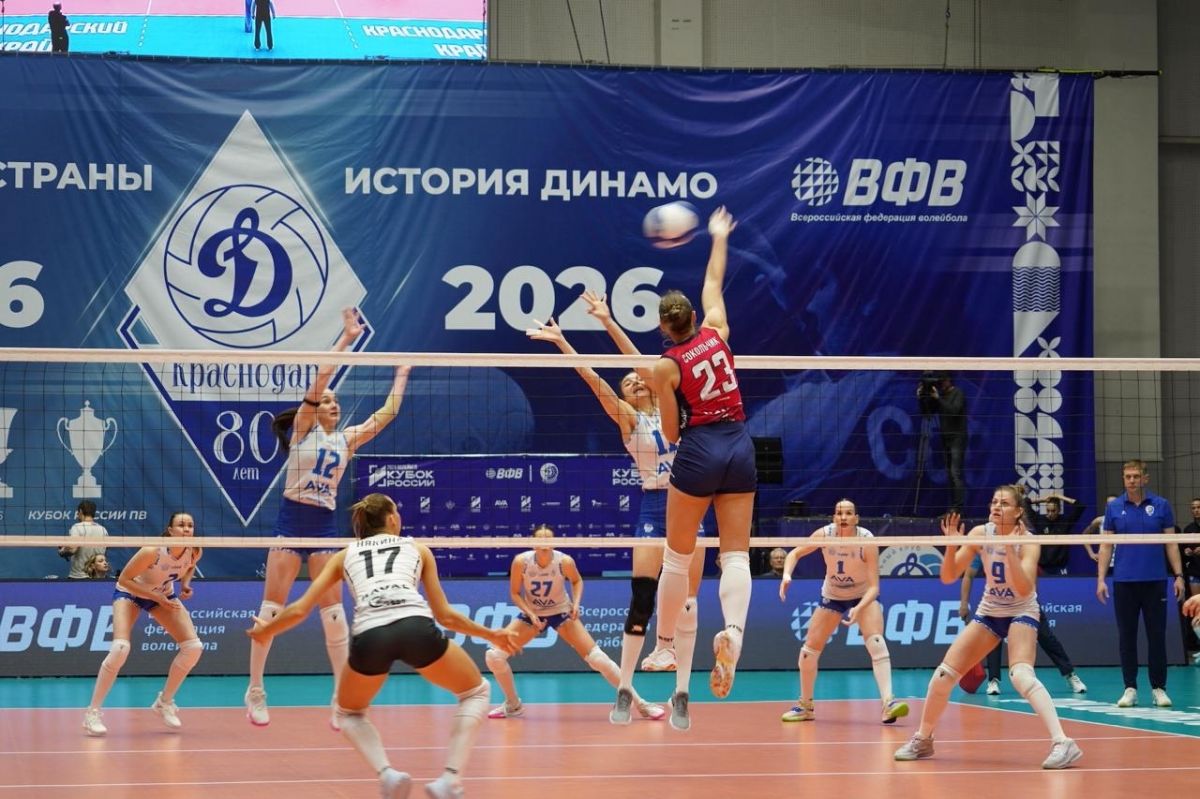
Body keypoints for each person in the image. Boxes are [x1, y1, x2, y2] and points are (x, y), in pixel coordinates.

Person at [248, 493, 518, 799]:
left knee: (349, 714)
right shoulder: (417, 549)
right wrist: (490, 634)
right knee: (475, 692)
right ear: (391, 519)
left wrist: (266, 631)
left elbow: (300, 608)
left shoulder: (344, 555)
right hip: (415, 626)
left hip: (370, 635)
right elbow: (446, 616)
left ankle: (388, 775)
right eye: (397, 511)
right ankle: (450, 780)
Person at [526, 290, 706, 717]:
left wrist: (608, 320)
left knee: (686, 600)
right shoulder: (629, 418)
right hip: (654, 503)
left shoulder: (678, 408)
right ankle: (625, 686)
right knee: (642, 594)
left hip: (689, 501)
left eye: (639, 379)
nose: (637, 382)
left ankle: (681, 689)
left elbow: (648, 365)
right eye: (629, 383)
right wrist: (564, 343)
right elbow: (594, 381)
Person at [245, 307, 410, 728]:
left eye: (337, 402)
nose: (333, 404)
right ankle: (256, 690)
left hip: (323, 526)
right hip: (291, 522)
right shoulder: (303, 428)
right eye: (328, 401)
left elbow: (388, 414)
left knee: (334, 614)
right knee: (271, 610)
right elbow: (320, 378)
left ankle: (341, 698)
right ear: (316, 407)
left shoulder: (347, 440)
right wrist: (346, 338)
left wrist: (402, 373)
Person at [651, 206, 757, 731]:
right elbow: (714, 280)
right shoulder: (717, 331)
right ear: (693, 316)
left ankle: (665, 644)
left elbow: (671, 433)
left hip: (699, 450)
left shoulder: (665, 366)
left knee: (677, 556)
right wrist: (717, 235)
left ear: (663, 327)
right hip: (739, 442)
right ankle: (733, 632)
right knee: (735, 553)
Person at [894, 485, 1081, 769]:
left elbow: (1024, 587)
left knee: (1021, 675)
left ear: (1018, 511)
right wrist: (951, 546)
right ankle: (924, 739)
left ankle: (1063, 742)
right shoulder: (980, 533)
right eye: (994, 502)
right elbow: (948, 576)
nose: (996, 507)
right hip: (990, 610)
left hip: (1021, 610)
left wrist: (1008, 550)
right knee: (943, 676)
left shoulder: (1029, 541)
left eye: (1004, 503)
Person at [483, 524, 665, 723]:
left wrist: (576, 604)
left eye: (549, 539)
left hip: (561, 612)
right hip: (532, 615)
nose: (545, 544)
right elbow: (515, 593)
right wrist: (530, 614)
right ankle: (513, 704)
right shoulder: (521, 562)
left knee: (598, 659)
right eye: (540, 539)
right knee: (494, 656)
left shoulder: (564, 561)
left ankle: (641, 704)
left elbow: (577, 581)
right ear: (533, 543)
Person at [777, 500, 909, 724]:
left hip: (862, 594)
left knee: (876, 642)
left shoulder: (866, 540)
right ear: (834, 517)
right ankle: (806, 706)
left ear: (856, 518)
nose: (844, 517)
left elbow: (875, 587)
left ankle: (888, 703)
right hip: (833, 595)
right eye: (839, 513)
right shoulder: (824, 534)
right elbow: (794, 554)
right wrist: (787, 575)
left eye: (848, 513)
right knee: (808, 652)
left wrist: (859, 608)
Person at [82, 512, 203, 737]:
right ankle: (93, 713)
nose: (187, 529)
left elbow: (189, 566)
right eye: (181, 525)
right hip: (131, 592)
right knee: (120, 649)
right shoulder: (152, 551)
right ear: (170, 530)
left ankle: (164, 702)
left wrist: (185, 584)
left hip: (162, 595)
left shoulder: (195, 550)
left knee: (193, 647)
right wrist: (156, 597)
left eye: (190, 525)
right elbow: (123, 579)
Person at [1096, 459, 1184, 708]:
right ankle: (1130, 689)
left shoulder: (1161, 505)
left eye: (1136, 476)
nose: (1132, 480)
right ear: (1123, 479)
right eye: (1128, 477)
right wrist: (1101, 579)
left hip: (1155, 581)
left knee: (1157, 636)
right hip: (1124, 582)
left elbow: (1171, 544)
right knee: (1127, 637)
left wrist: (1178, 575)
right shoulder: (1114, 507)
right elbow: (1106, 546)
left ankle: (1159, 688)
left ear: (1145, 478)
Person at [959, 548, 1086, 696]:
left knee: (1046, 637)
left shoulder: (1021, 544)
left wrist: (1033, 597)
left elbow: (1031, 573)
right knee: (993, 640)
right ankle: (993, 681)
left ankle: (1070, 675)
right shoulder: (985, 545)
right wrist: (964, 603)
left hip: (1024, 602)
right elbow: (968, 575)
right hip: (997, 601)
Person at [917, 371, 967, 513]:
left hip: (958, 437)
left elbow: (954, 410)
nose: (940, 385)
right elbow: (927, 413)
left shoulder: (958, 393)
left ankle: (958, 509)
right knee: (950, 475)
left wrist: (938, 399)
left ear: (948, 380)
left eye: (942, 382)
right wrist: (921, 398)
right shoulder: (940, 395)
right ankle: (953, 509)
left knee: (955, 473)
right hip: (946, 438)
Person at [59, 500, 108, 579]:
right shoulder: (103, 529)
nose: (77, 515)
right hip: (97, 577)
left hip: (79, 577)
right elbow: (105, 550)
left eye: (77, 512)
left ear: (81, 511)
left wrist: (62, 551)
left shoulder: (77, 527)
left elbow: (72, 549)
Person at [1181, 498, 1200, 661]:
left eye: (1198, 507)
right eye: (1193, 508)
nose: (1196, 510)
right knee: (1198, 610)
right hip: (1195, 572)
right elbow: (1182, 550)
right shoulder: (1188, 529)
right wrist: (1186, 551)